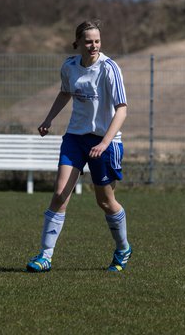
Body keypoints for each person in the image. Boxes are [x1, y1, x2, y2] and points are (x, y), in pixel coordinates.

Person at [26, 19, 132, 273]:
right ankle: (45, 256)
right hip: (75, 137)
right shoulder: (70, 66)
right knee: (60, 194)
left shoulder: (109, 68)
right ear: (78, 43)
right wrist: (49, 119)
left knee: (105, 202)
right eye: (88, 41)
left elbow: (122, 109)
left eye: (97, 40)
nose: (93, 45)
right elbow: (65, 92)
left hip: (104, 142)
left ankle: (122, 248)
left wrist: (105, 142)